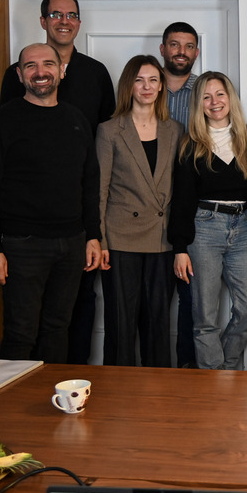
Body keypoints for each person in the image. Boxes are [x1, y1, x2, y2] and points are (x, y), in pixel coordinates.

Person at [0, 0, 115, 365]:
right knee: (23, 326)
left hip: (76, 218)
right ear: (43, 21)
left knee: (72, 313)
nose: (64, 21)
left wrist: (93, 230)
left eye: (71, 15)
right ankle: (20, 392)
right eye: (56, 14)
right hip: (25, 227)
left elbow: (105, 141)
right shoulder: (14, 79)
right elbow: (5, 148)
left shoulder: (96, 73)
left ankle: (70, 380)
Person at [0, 43, 102, 362]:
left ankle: (51, 393)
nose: (40, 72)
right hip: (21, 246)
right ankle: (13, 397)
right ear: (19, 74)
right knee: (20, 333)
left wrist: (93, 235)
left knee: (58, 329)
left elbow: (89, 184)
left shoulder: (77, 119)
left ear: (61, 71)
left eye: (48, 64)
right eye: (31, 66)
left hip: (72, 244)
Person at [169, 72, 247, 370]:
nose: (214, 102)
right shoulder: (190, 143)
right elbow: (182, 199)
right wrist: (180, 248)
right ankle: (215, 381)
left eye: (220, 94)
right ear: (198, 103)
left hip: (242, 227)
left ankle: (226, 368)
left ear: (230, 98)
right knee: (205, 316)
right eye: (206, 97)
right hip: (203, 228)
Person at [96, 55, 183, 366]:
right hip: (121, 239)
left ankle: (158, 390)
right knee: (120, 323)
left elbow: (181, 188)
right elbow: (100, 190)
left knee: (158, 325)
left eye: (153, 80)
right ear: (128, 86)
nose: (146, 87)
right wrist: (100, 240)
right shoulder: (109, 130)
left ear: (161, 87)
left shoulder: (175, 130)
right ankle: (117, 389)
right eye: (139, 80)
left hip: (162, 238)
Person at [160, 21, 201, 368]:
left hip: (192, 208)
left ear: (196, 53)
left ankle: (188, 371)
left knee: (192, 300)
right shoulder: (147, 85)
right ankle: (154, 372)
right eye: (174, 45)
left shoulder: (204, 91)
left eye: (188, 46)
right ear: (163, 49)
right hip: (150, 205)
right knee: (154, 300)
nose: (181, 52)